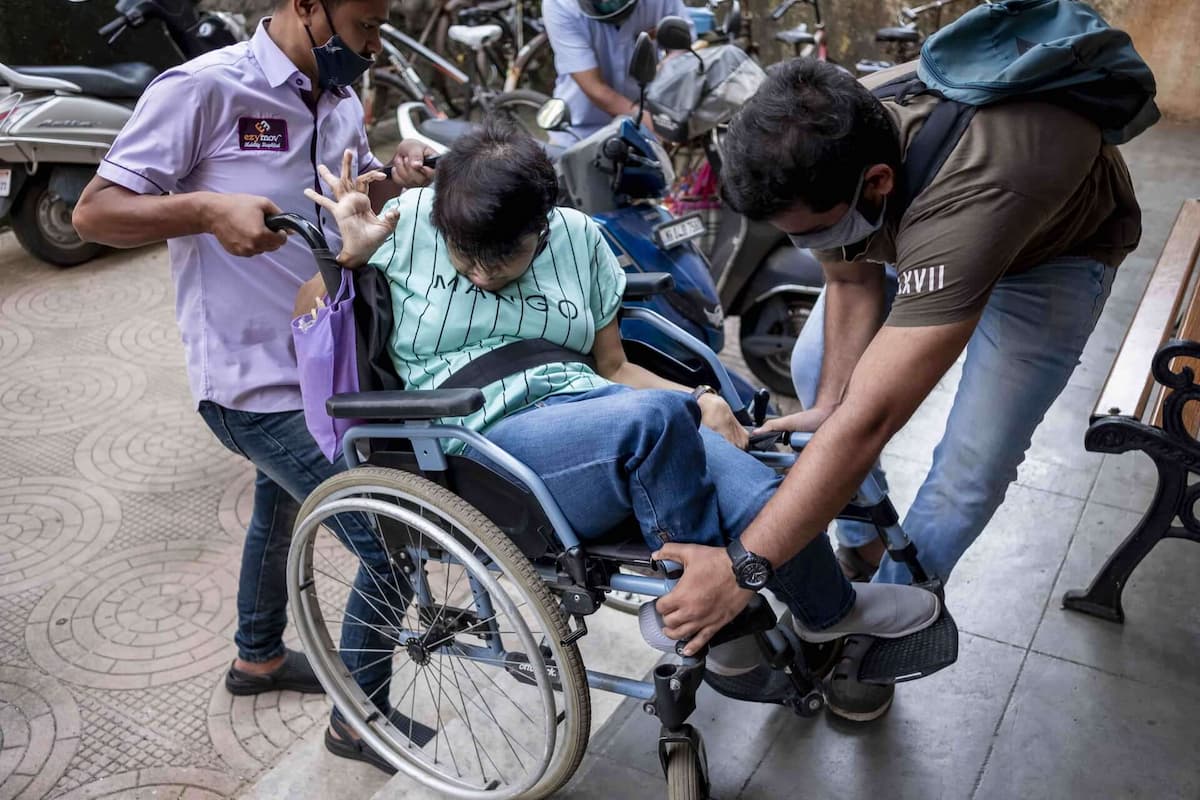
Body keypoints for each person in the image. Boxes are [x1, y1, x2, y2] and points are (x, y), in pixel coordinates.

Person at [299, 121, 943, 767]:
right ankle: (703, 613)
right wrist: (346, 258)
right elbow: (307, 320)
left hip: (600, 411)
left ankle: (825, 612)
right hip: (481, 439)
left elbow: (613, 368)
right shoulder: (407, 221)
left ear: (543, 227)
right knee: (657, 420)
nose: (480, 272)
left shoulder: (580, 239)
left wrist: (703, 400)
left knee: (769, 495)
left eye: (503, 258)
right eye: (466, 257)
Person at [649, 57, 1141, 721]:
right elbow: (851, 281)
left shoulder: (973, 193)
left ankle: (877, 623)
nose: (809, 245)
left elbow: (873, 418)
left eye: (813, 232)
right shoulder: (822, 144)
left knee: (972, 466)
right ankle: (865, 541)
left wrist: (744, 570)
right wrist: (828, 407)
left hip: (1053, 251)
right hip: (928, 215)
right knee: (818, 377)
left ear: (877, 182)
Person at [71, 0, 435, 718]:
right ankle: (361, 725)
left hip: (326, 366)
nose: (373, 44)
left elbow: (349, 194)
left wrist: (392, 176)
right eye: (363, 25)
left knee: (280, 502)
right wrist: (204, 209)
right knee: (394, 545)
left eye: (379, 27)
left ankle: (257, 657)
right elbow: (94, 211)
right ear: (305, 5)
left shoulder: (339, 96)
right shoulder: (203, 88)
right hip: (251, 385)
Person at [541, 0, 690, 142]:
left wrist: (667, 74)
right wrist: (656, 125)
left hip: (648, 116)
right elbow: (596, 89)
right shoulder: (560, 5)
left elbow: (684, 48)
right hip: (582, 128)